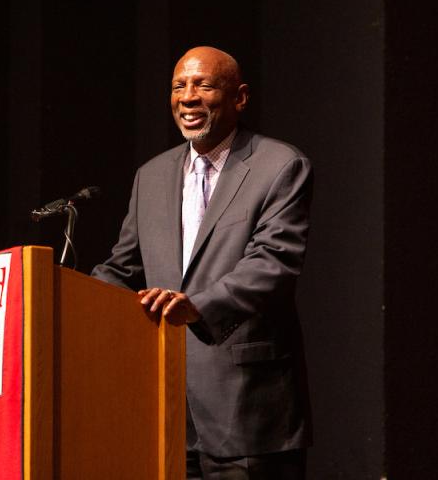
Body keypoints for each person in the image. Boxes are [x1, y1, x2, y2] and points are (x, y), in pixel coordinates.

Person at [91, 46, 313, 479]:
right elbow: (122, 268)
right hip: (167, 411)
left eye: (203, 85)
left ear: (240, 98)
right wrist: (61, 299)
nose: (188, 97)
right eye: (179, 86)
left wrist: (199, 305)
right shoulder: (151, 176)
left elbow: (273, 263)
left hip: (248, 411)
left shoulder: (280, 165)